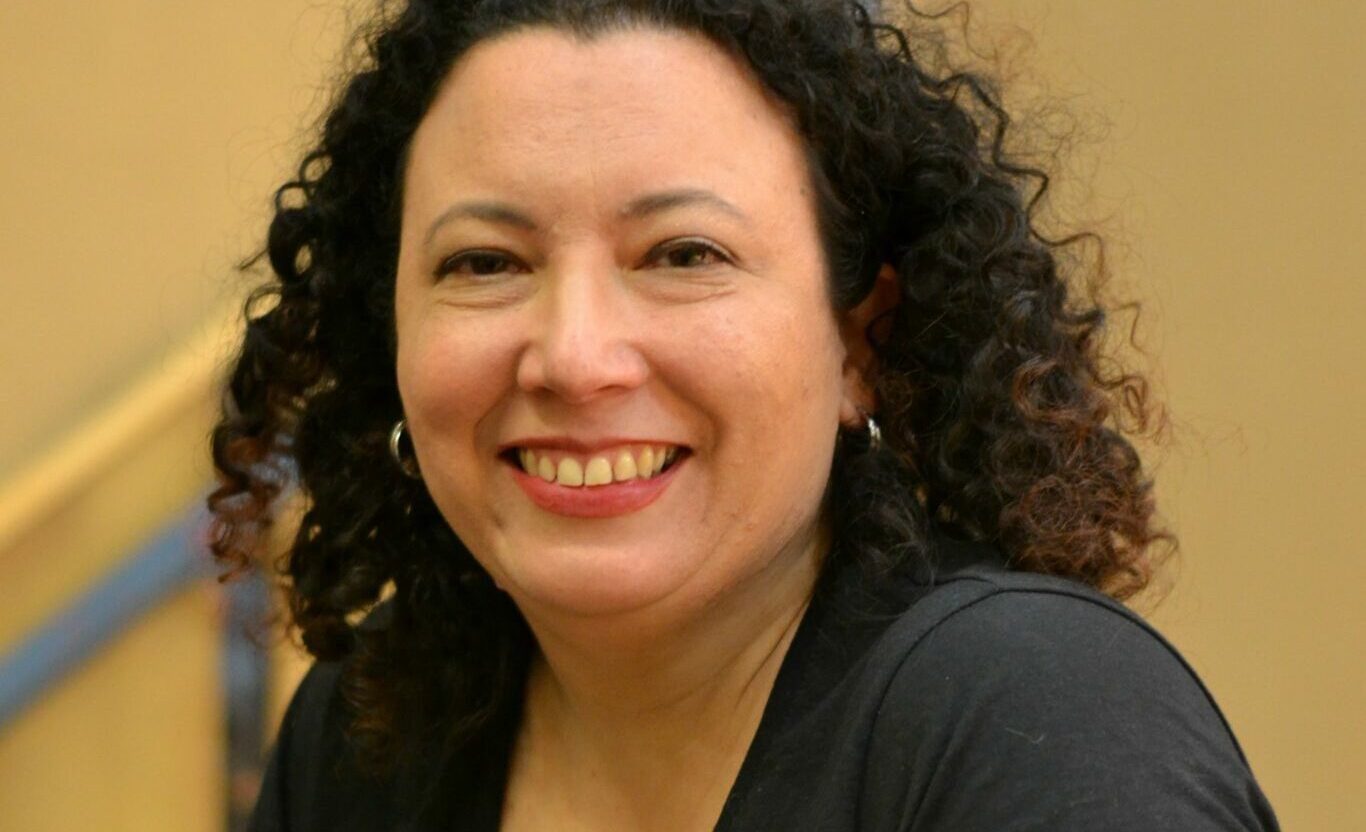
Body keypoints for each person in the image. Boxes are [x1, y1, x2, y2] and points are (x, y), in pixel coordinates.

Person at [210, 1, 1280, 829]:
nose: (575, 357)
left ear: (860, 343)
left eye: (684, 254)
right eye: (484, 263)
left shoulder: (1035, 717)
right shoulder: (371, 732)